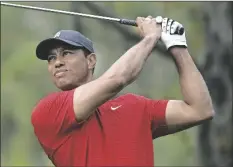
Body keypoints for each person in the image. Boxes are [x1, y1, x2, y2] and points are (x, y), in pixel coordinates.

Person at [31, 16, 214, 167]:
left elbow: (200, 110)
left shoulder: (135, 106)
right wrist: (150, 38)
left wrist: (177, 45)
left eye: (67, 53)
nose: (57, 62)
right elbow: (118, 79)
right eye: (51, 58)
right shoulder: (47, 111)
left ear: (91, 61)